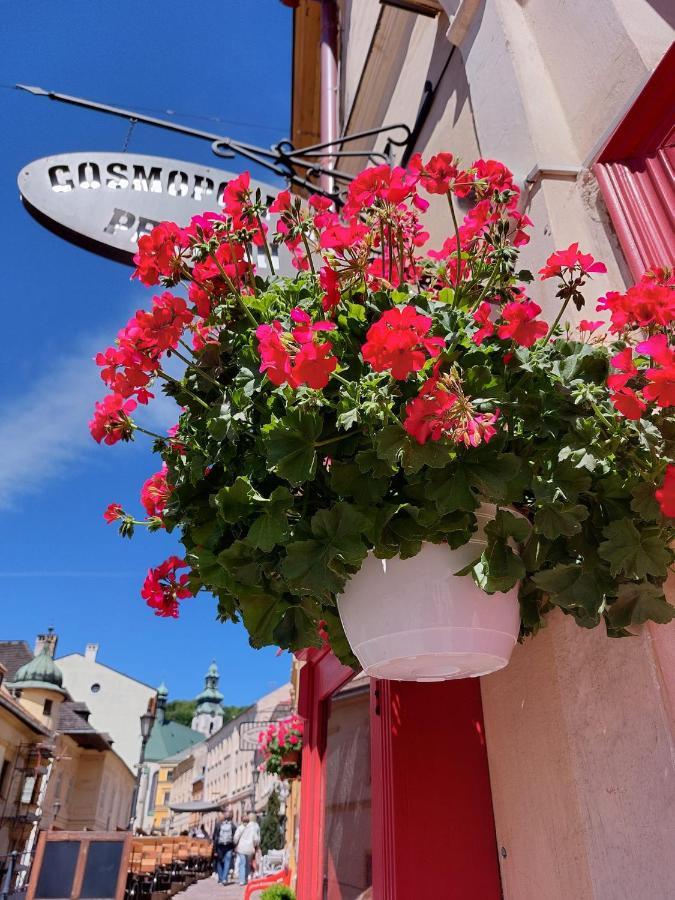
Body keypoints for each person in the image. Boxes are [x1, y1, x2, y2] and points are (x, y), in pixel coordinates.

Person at [234, 813, 260, 886]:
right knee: (247, 863)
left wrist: (235, 843)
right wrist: (254, 845)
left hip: (241, 848)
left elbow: (236, 837)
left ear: (242, 821)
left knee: (242, 863)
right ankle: (246, 878)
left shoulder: (240, 828)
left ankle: (242, 880)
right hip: (249, 848)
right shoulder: (252, 829)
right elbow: (256, 839)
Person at [212, 808, 237, 885]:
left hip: (219, 846)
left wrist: (215, 850)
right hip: (229, 846)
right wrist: (234, 848)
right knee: (227, 862)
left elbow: (215, 837)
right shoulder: (232, 825)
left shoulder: (218, 825)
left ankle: (221, 878)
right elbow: (234, 837)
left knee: (219, 862)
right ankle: (224, 879)